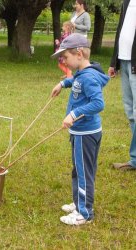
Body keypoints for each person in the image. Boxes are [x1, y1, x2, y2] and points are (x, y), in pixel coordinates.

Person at [51, 33, 109, 225]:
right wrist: (63, 83)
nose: (64, 61)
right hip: (80, 133)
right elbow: (77, 82)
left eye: (65, 57)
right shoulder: (82, 74)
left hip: (85, 134)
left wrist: (74, 114)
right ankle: (79, 202)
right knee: (79, 170)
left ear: (79, 53)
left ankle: (84, 213)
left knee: (84, 172)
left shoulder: (89, 77)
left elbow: (98, 103)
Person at [108, 0, 136, 171]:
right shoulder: (126, 2)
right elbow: (120, 30)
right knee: (130, 113)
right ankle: (135, 159)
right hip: (124, 60)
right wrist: (114, 62)